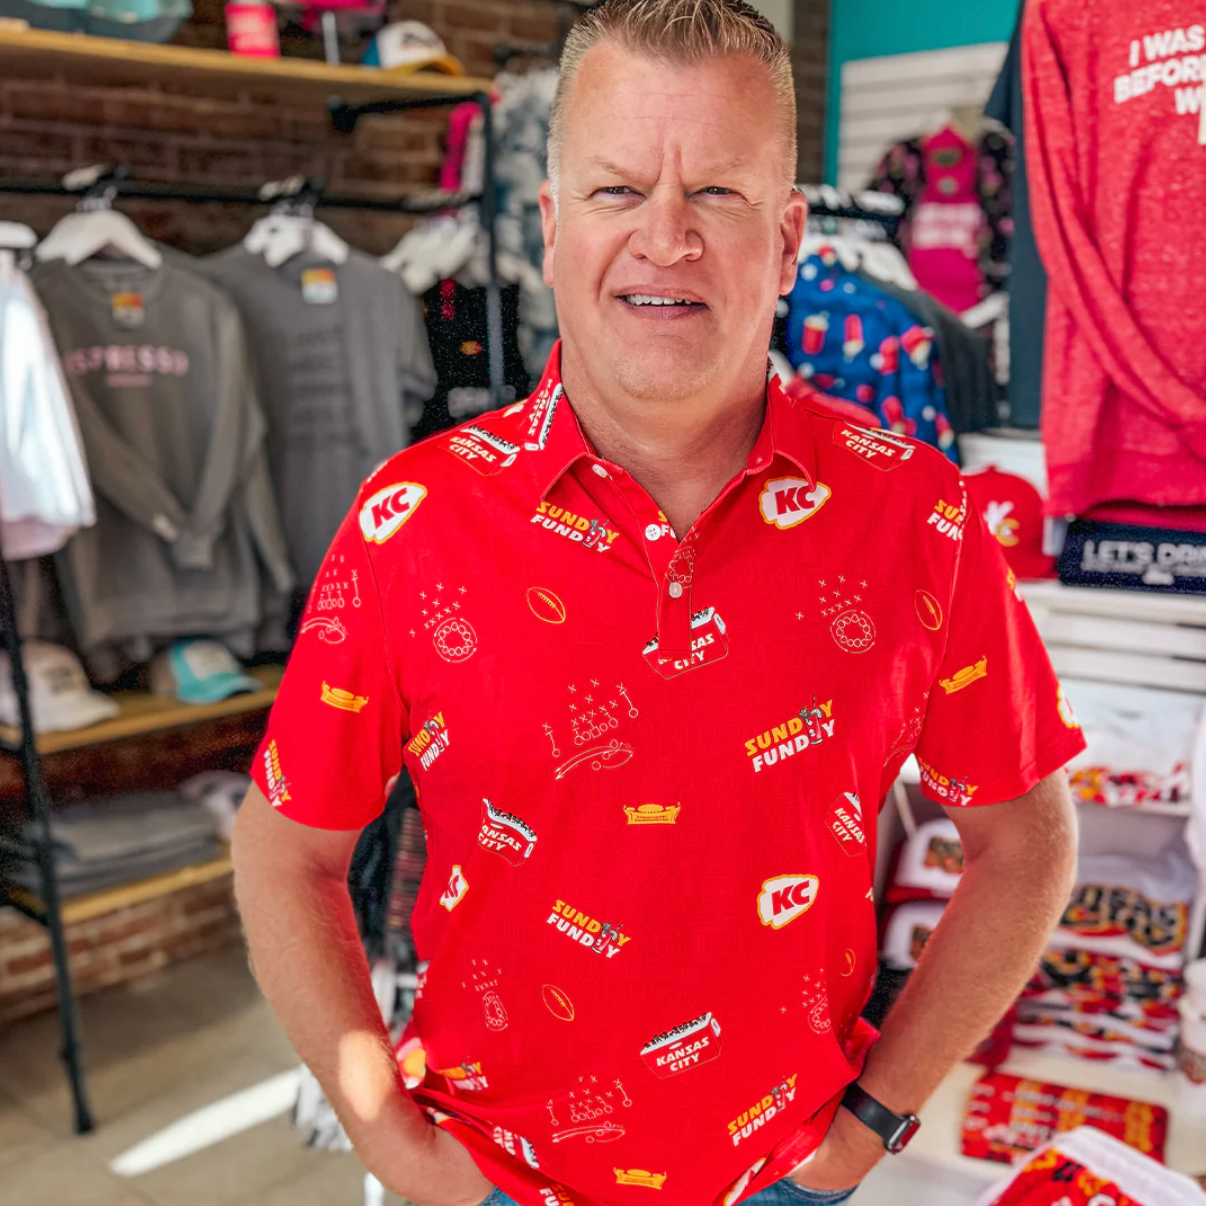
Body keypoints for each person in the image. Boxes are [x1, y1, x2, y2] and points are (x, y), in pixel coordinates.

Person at [232, 2, 1085, 1205]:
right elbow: (286, 850)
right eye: (618, 189)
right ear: (549, 224)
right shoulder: (410, 519)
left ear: (790, 240)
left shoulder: (917, 516)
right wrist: (387, 1137)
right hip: (488, 1175)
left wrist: (875, 1120)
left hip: (782, 1180)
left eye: (720, 195)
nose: (666, 238)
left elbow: (1028, 840)